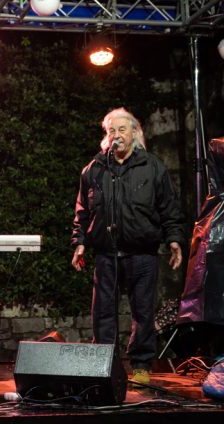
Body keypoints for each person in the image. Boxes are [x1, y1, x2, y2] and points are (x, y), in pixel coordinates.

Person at [71, 108, 185, 385]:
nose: (117, 135)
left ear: (135, 132)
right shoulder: (95, 169)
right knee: (102, 312)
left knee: (143, 312)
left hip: (142, 253)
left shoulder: (153, 167)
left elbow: (168, 207)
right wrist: (79, 242)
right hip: (106, 253)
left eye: (122, 129)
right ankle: (104, 365)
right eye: (112, 130)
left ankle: (141, 364)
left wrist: (174, 240)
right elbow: (82, 210)